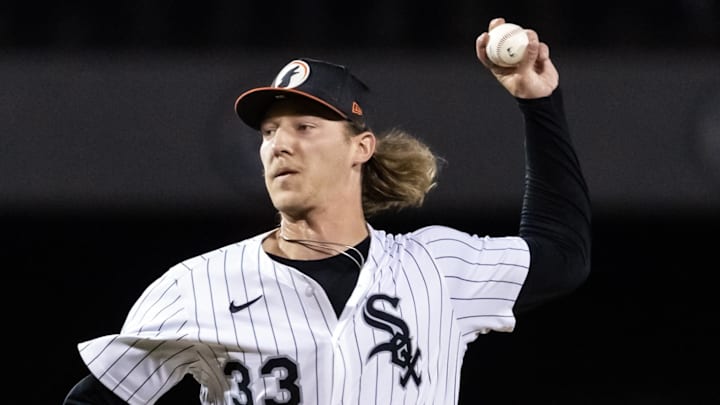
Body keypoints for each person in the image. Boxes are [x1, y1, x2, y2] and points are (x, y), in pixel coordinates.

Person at [64, 16, 591, 405]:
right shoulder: (198, 285)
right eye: (269, 132)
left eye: (304, 127)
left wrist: (539, 102)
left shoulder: (435, 268)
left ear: (360, 149)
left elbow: (562, 253)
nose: (279, 145)